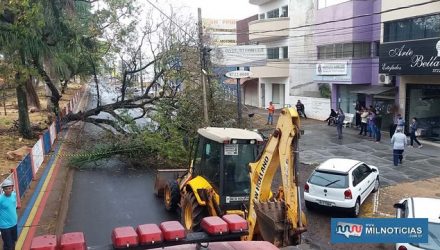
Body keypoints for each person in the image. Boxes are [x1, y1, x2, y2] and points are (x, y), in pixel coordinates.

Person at [0, 179, 18, 250]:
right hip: (5, 227)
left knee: (13, 242)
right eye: (6, 189)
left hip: (14, 224)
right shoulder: (0, 199)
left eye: (9, 188)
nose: (8, 190)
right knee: (8, 245)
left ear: (12, 188)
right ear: (3, 190)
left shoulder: (14, 195)